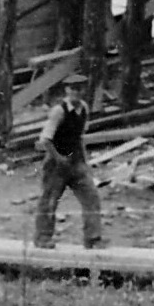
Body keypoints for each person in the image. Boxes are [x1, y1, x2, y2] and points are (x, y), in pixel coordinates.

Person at [33, 73, 103, 250]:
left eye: (80, 89)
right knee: (49, 201)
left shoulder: (84, 109)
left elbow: (79, 137)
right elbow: (46, 140)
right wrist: (59, 158)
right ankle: (42, 238)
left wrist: (84, 162)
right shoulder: (59, 111)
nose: (77, 93)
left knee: (91, 197)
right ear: (67, 90)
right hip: (56, 164)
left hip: (76, 162)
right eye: (73, 89)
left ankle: (92, 239)